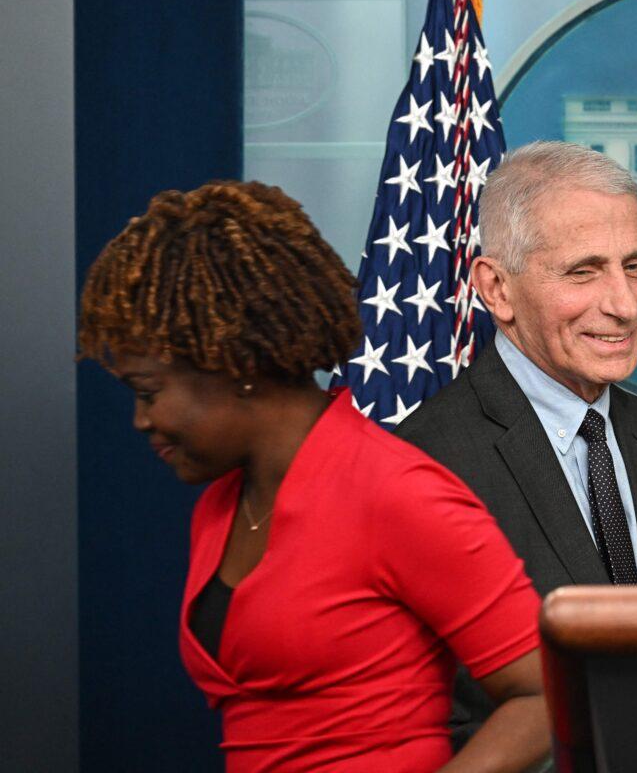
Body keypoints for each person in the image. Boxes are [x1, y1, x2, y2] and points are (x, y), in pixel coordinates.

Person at [77, 181, 549, 773]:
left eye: (149, 392)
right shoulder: (221, 504)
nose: (143, 420)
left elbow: (544, 695)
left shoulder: (397, 492)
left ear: (237, 364)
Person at [395, 141, 637, 745]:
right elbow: (425, 715)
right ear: (496, 288)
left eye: (635, 266)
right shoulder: (425, 461)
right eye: (583, 271)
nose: (625, 305)